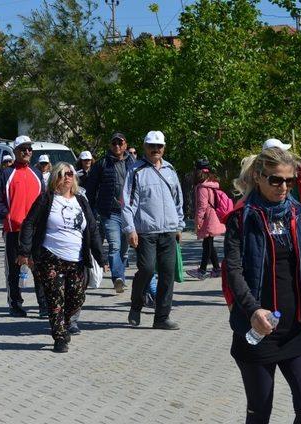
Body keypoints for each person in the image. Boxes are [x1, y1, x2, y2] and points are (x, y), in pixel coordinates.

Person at [224, 147, 301, 423]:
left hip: (298, 327)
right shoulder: (242, 218)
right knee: (260, 411)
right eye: (276, 179)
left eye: (289, 180)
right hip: (257, 329)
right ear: (259, 177)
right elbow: (234, 271)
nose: (283, 187)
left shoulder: (299, 213)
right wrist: (252, 310)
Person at [19, 162, 106, 352]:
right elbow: (28, 224)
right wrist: (24, 252)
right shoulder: (46, 199)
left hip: (76, 260)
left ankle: (65, 324)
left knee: (76, 298)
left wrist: (101, 257)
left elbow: (92, 228)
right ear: (55, 177)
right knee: (55, 298)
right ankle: (59, 337)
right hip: (50, 258)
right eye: (62, 174)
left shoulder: (81, 201)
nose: (66, 177)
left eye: (70, 174)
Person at [122, 131, 184, 330]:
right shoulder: (136, 171)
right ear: (144, 147)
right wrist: (130, 228)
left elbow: (178, 200)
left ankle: (162, 317)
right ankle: (136, 304)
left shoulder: (170, 169)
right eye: (151, 146)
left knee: (167, 274)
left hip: (168, 231)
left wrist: (179, 225)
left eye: (159, 146)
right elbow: (128, 203)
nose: (155, 150)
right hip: (145, 231)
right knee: (147, 269)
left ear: (164, 148)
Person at [0, 135, 47, 318]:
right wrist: (7, 215)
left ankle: (44, 305)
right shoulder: (6, 174)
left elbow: (45, 201)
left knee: (39, 268)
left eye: (29, 149)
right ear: (15, 151)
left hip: (35, 232)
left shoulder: (37, 174)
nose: (27, 152)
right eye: (23, 149)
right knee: (14, 270)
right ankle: (15, 304)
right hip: (14, 231)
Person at [85, 132, 135, 294]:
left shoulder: (133, 163)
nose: (117, 146)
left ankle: (121, 276)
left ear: (125, 145)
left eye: (120, 143)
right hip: (109, 212)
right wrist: (90, 211)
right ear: (110, 145)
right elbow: (91, 190)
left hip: (129, 213)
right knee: (114, 246)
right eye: (114, 143)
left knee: (124, 249)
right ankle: (118, 278)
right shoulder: (102, 164)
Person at [186, 159, 225, 280]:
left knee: (207, 244)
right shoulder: (212, 183)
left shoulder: (202, 187)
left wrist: (198, 221)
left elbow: (202, 206)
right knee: (209, 243)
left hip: (208, 217)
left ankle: (202, 271)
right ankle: (217, 269)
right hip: (213, 216)